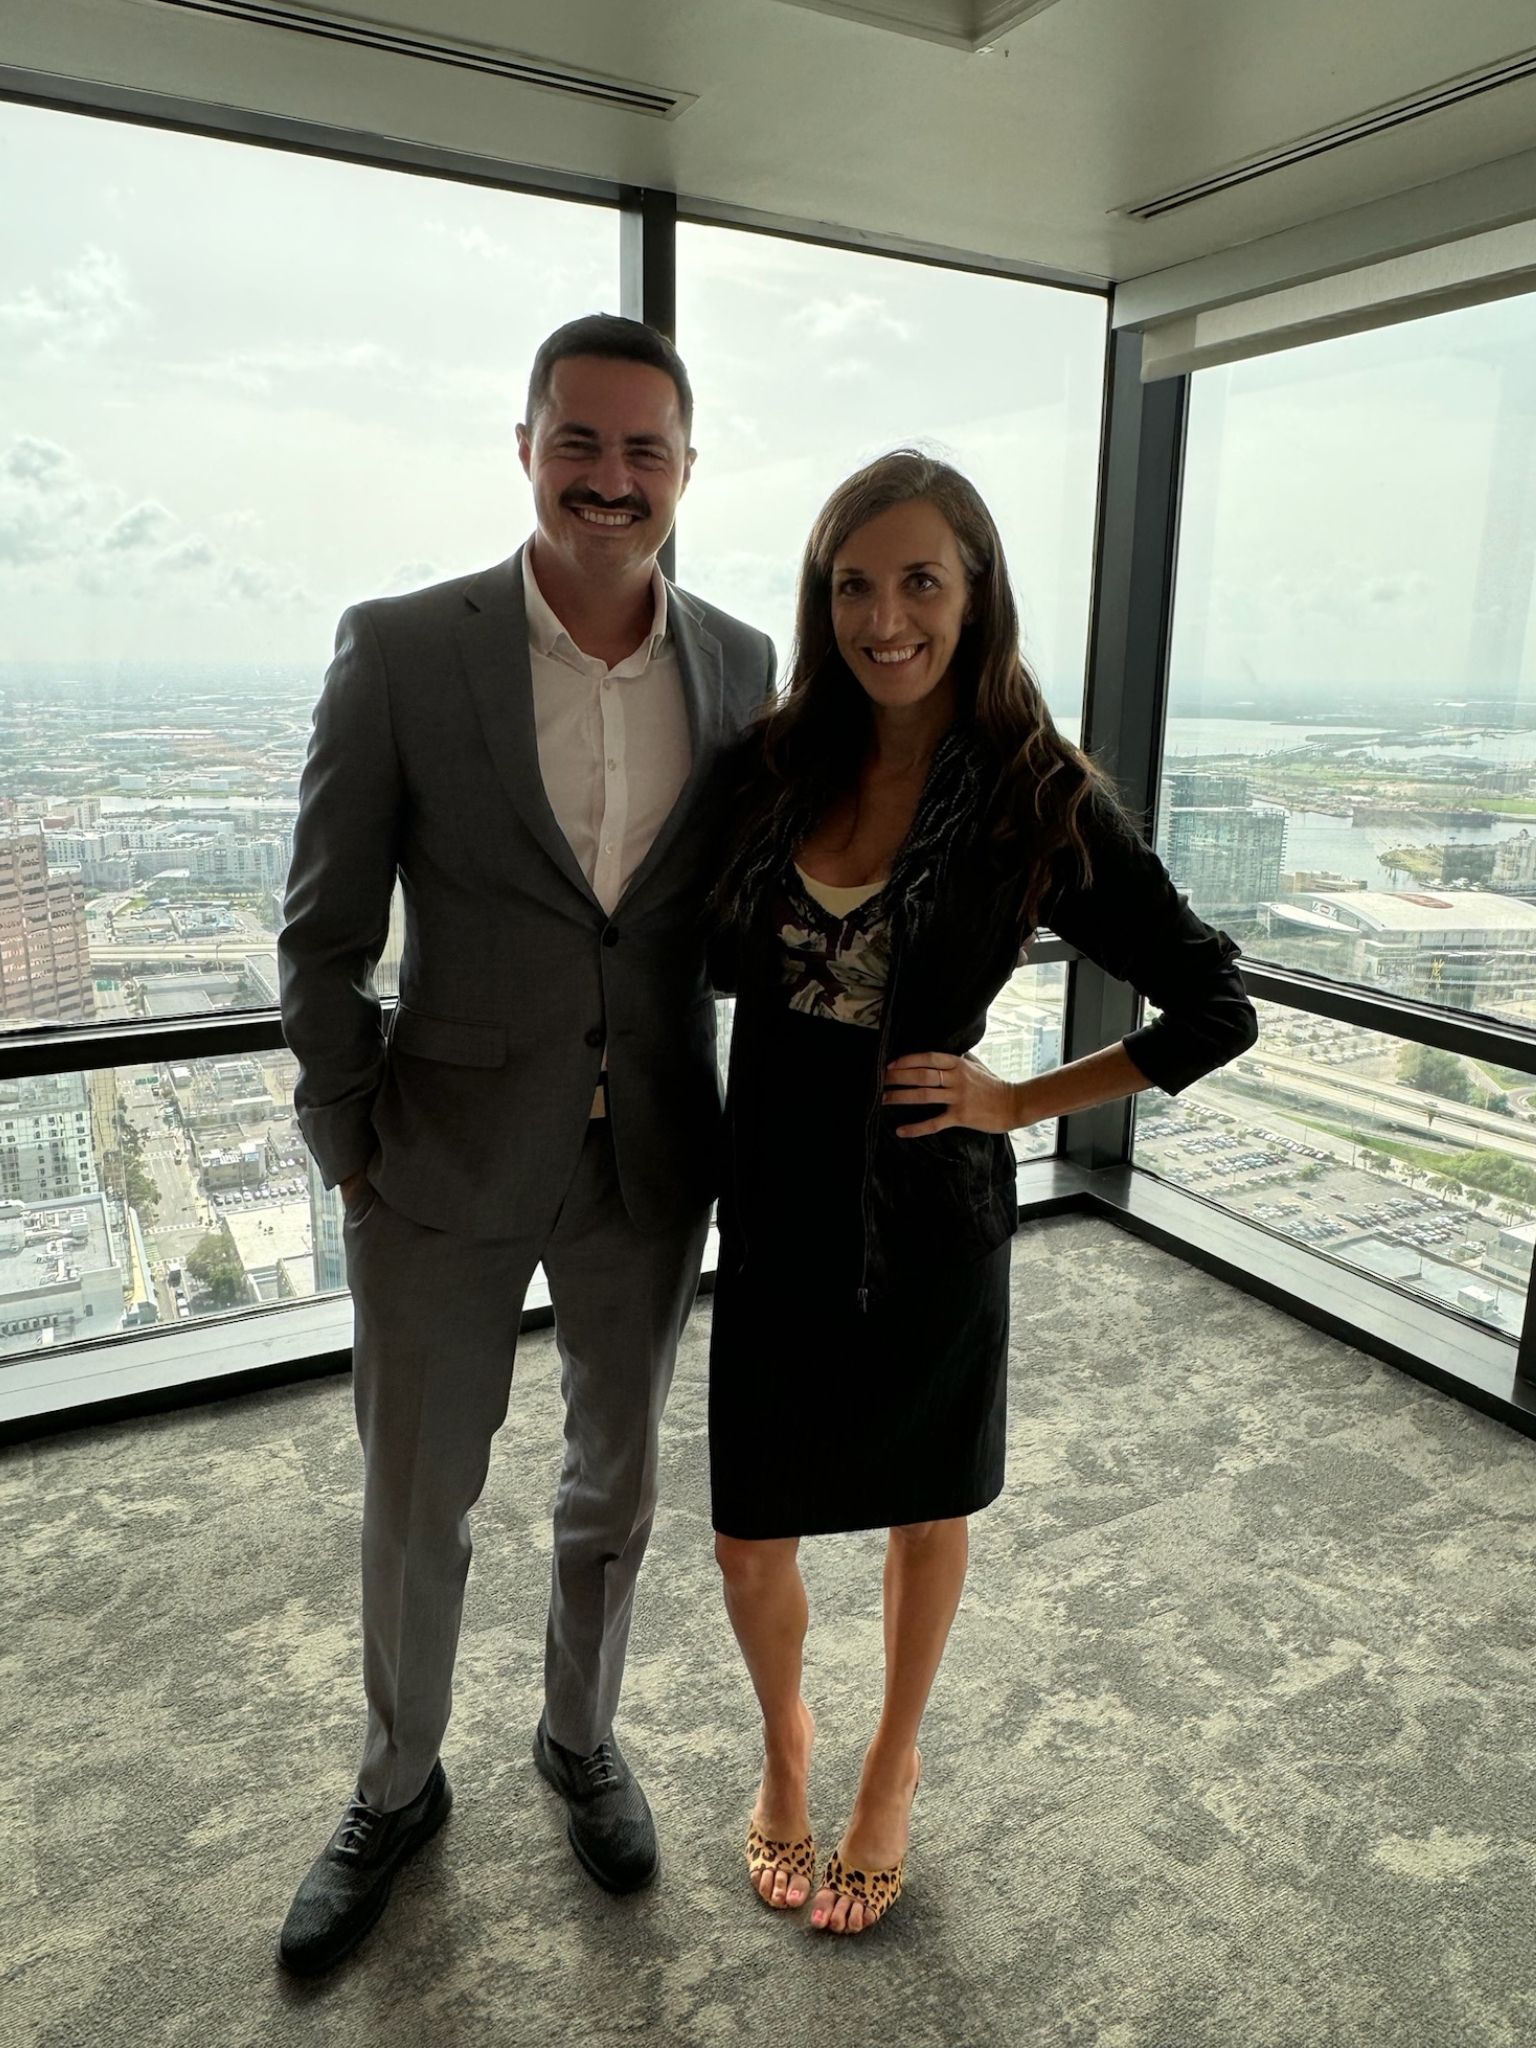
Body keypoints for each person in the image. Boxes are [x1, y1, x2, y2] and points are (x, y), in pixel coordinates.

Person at [275, 314, 775, 1975]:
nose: (612, 477)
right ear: (527, 447)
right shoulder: (407, 647)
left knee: (611, 1491)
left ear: (688, 471)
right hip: (434, 1159)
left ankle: (581, 1740)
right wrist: (348, 1138)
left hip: (649, 1161)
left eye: (647, 450)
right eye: (582, 441)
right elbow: (324, 932)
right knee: (420, 1498)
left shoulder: (743, 664)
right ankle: (396, 1785)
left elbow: (734, 922)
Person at [707, 451, 1258, 1935]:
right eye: (854, 585)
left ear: (976, 592)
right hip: (770, 1204)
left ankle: (889, 1762)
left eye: (919, 582)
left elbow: (1213, 1001)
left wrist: (1020, 1099)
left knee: (922, 1503)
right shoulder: (777, 760)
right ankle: (787, 1744)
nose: (886, 618)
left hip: (930, 1212)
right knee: (747, 1530)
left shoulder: (1037, 794)